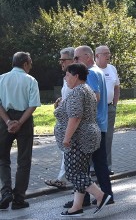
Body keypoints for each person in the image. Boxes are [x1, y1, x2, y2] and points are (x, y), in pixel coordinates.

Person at [55, 63, 111, 216]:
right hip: (88, 135)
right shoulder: (86, 89)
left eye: (67, 75)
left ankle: (100, 196)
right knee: (81, 172)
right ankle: (76, 207)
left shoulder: (77, 92)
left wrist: (67, 138)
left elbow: (75, 117)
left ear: (76, 76)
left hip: (79, 138)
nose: (65, 78)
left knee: (73, 173)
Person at [67, 46, 114, 208]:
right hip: (99, 124)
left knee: (82, 165)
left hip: (92, 125)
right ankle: (105, 194)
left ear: (87, 57)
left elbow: (95, 96)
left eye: (77, 58)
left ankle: (90, 198)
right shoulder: (97, 71)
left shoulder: (91, 73)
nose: (75, 61)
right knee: (98, 163)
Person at [0, 52, 41, 210]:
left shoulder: (1, 79)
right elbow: (33, 105)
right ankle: (19, 198)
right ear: (25, 64)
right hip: (24, 119)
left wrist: (8, 121)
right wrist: (20, 122)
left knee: (2, 158)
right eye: (30, 63)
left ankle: (5, 192)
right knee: (24, 160)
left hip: (4, 119)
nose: (31, 66)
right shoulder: (31, 80)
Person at [45, 47, 76, 190]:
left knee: (69, 150)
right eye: (60, 60)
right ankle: (62, 179)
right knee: (67, 151)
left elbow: (77, 98)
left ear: (73, 59)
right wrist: (61, 101)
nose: (61, 63)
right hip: (66, 119)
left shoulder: (76, 77)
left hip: (73, 120)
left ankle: (67, 180)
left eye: (64, 60)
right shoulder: (67, 76)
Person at [95, 45, 120, 174]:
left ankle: (107, 166)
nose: (108, 56)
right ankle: (94, 167)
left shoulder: (112, 69)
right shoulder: (92, 70)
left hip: (109, 108)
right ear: (97, 56)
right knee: (95, 137)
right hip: (96, 109)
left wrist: (114, 104)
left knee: (108, 138)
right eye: (105, 53)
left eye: (109, 53)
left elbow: (116, 87)